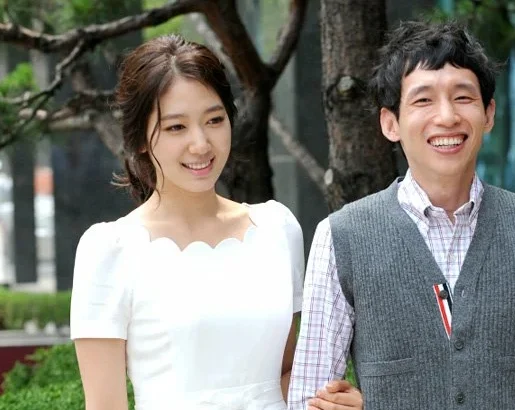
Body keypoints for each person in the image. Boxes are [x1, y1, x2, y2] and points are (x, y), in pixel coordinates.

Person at [289, 20, 515, 409]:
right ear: (390, 123)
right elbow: (311, 397)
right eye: (423, 100)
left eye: (463, 97)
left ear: (489, 114)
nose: (447, 117)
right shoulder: (341, 238)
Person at [70, 35, 362, 410]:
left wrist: (331, 401)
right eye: (176, 127)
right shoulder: (111, 250)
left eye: (214, 120)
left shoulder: (276, 229)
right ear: (140, 137)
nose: (201, 144)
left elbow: (287, 376)